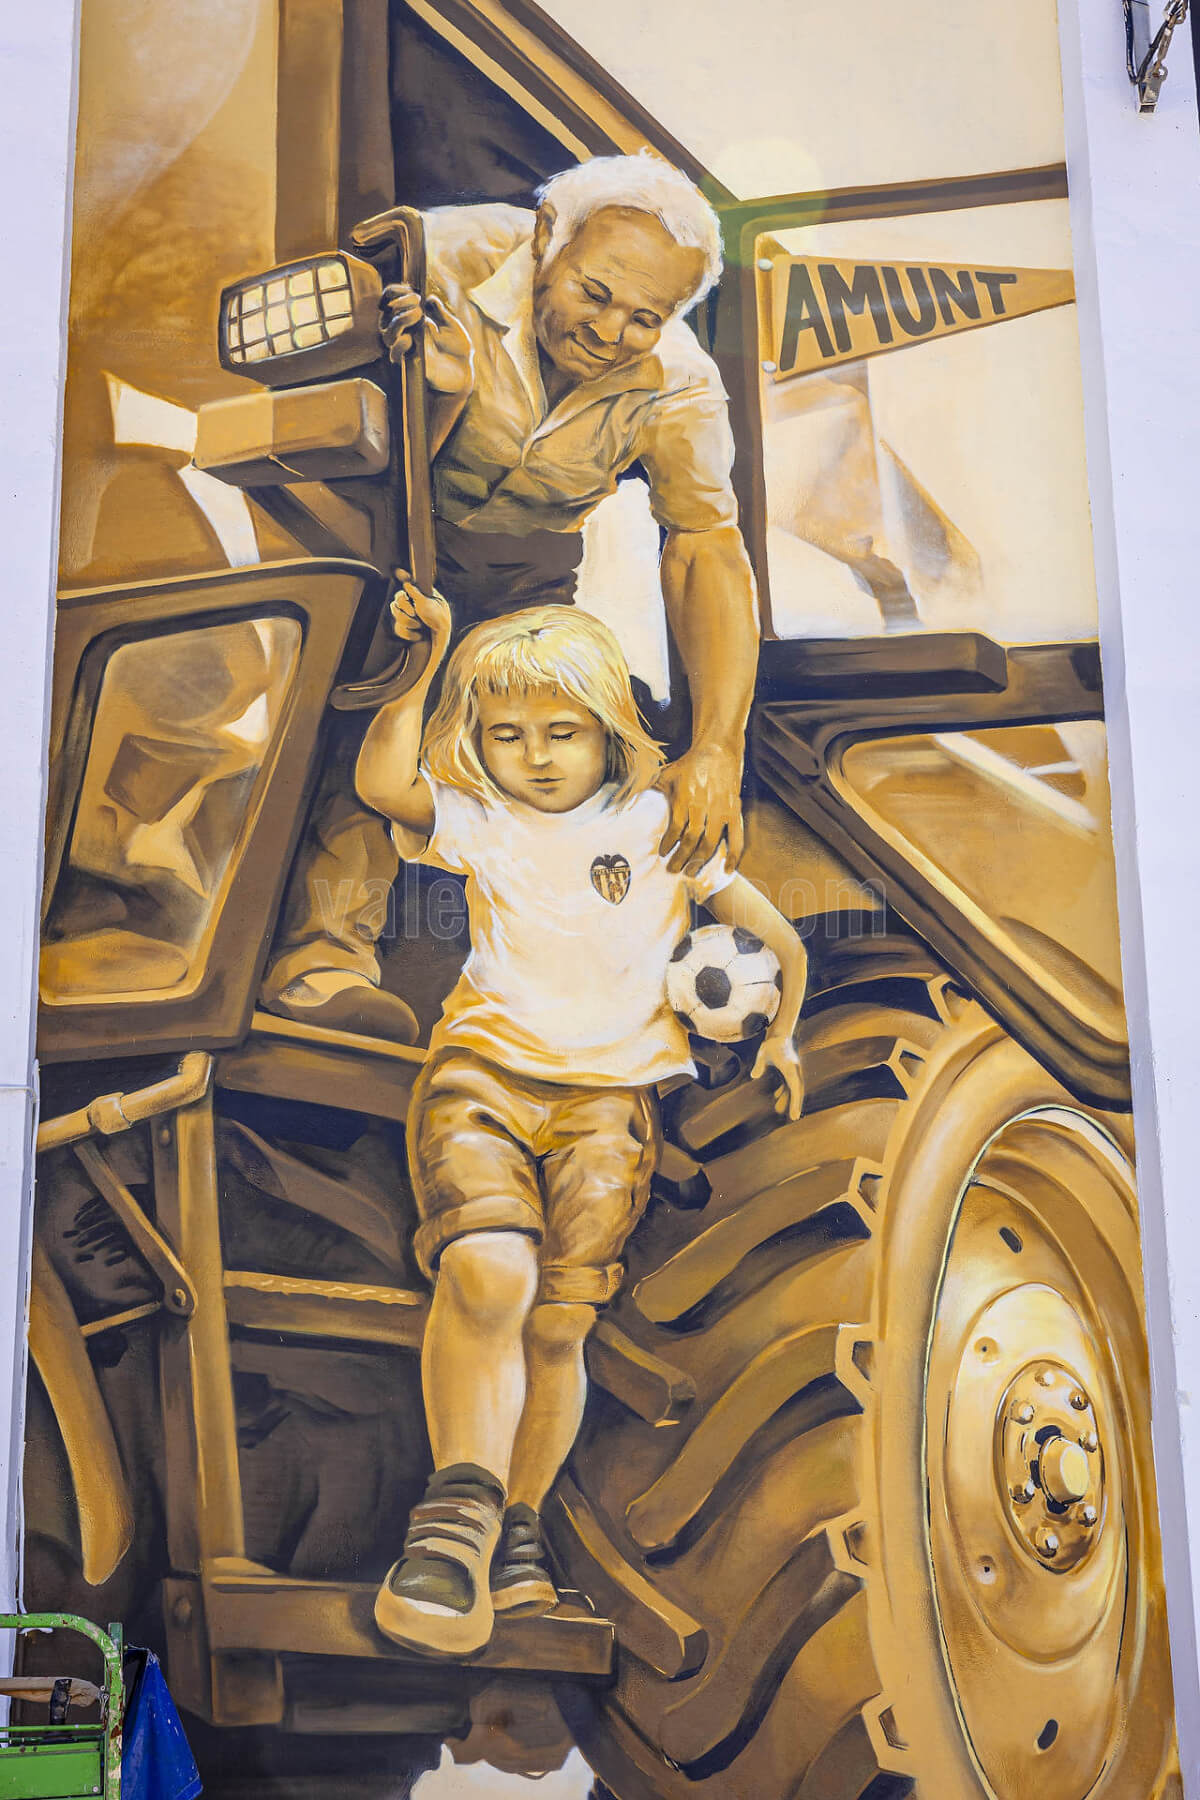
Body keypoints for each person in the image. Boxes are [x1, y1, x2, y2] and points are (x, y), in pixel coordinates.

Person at [354, 584, 806, 1657]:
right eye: (507, 736)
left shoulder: (658, 827)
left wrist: (782, 1037)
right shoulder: (482, 821)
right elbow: (381, 781)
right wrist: (427, 664)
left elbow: (774, 937)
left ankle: (518, 1529)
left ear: (609, 730)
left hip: (609, 1108)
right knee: (487, 1275)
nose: (537, 757)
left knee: (560, 1325)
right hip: (485, 1078)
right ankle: (454, 1524)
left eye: (562, 732)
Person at [261, 151, 760, 1041]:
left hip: (525, 565)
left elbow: (705, 550)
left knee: (551, 730)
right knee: (386, 699)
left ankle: (551, 991)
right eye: (596, 294)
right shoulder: (437, 254)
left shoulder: (680, 386)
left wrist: (719, 746)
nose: (611, 332)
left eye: (646, 317)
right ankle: (321, 967)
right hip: (377, 524)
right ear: (545, 240)